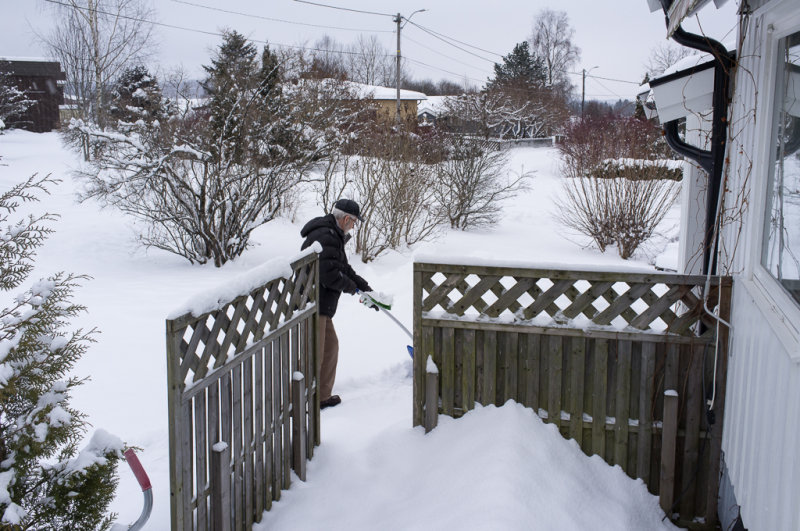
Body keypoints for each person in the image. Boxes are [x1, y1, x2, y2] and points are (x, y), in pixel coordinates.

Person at [300, 199, 375, 409]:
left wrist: (366, 289)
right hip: (313, 303)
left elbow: (343, 267)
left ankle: (322, 396)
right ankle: (297, 401)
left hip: (322, 304)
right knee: (313, 354)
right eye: (353, 222)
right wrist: (354, 289)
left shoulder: (333, 235)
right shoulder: (326, 235)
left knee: (330, 348)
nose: (353, 226)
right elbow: (328, 274)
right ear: (346, 218)